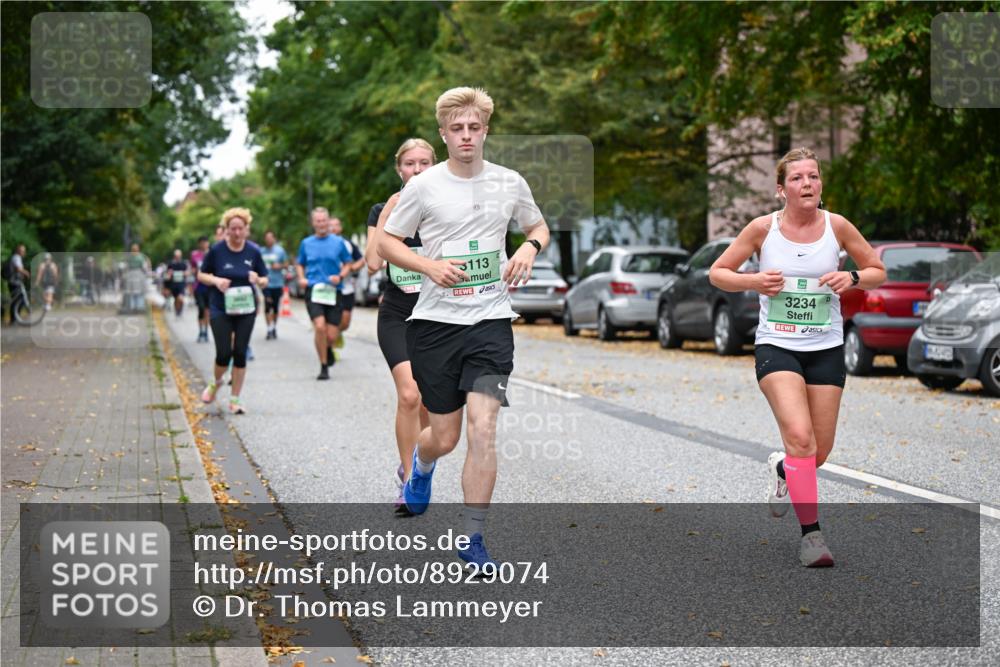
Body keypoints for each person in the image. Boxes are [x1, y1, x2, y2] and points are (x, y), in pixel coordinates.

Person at [379, 87, 550, 569]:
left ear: (486, 130)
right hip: (435, 326)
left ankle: (473, 538)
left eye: (474, 127)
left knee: (483, 427)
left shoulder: (509, 182)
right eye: (457, 129)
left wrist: (529, 248)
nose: (467, 136)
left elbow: (538, 227)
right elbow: (388, 243)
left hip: (490, 323)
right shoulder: (424, 186)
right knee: (445, 437)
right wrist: (428, 266)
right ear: (443, 134)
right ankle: (421, 465)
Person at [708, 147, 886, 568]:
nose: (807, 183)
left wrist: (852, 277)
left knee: (816, 453)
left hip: (826, 347)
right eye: (797, 178)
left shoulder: (837, 226)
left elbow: (877, 271)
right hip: (777, 345)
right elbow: (718, 272)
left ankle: (784, 470)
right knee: (801, 438)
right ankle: (812, 537)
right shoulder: (762, 229)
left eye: (813, 176)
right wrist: (754, 281)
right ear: (781, 189)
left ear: (820, 184)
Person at [364, 137, 436, 510]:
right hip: (396, 314)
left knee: (430, 405)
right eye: (410, 163)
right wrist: (389, 214)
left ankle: (419, 463)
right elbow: (372, 263)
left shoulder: (444, 208)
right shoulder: (382, 209)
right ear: (399, 169)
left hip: (437, 316)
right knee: (409, 394)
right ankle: (409, 481)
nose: (417, 170)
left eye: (424, 163)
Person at [198, 207, 268, 414]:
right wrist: (216, 280)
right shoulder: (217, 250)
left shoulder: (253, 251)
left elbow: (265, 279)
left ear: (246, 229)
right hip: (221, 308)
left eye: (240, 228)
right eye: (233, 229)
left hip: (246, 308)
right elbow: (201, 275)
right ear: (226, 229)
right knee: (223, 353)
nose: (237, 233)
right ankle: (216, 382)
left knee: (239, 352)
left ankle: (235, 399)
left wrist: (258, 279)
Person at [296, 207, 354, 380]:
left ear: (328, 222)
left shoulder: (338, 242)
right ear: (313, 223)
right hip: (314, 290)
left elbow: (348, 263)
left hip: (333, 291)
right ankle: (323, 366)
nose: (321, 223)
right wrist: (301, 278)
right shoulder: (306, 243)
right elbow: (299, 263)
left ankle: (327, 348)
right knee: (320, 327)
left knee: (331, 335)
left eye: (323, 220)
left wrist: (340, 276)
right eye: (318, 221)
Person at [329, 217, 366, 353]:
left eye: (336, 225)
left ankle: (336, 333)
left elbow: (361, 260)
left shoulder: (348, 244)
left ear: (340, 228)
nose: (333, 228)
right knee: (329, 321)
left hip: (346, 288)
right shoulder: (322, 243)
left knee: (345, 322)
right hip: (328, 289)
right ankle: (330, 347)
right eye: (331, 225)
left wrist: (351, 268)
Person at [261, 230, 288, 340]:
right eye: (267, 238)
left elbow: (286, 264)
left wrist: (279, 266)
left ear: (274, 238)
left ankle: (274, 327)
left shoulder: (280, 251)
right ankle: (269, 329)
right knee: (268, 305)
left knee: (275, 307)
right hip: (266, 283)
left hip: (277, 283)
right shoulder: (261, 251)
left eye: (270, 237)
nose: (268, 240)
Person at [191, 236, 211, 342]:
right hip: (198, 286)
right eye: (202, 242)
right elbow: (192, 268)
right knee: (201, 309)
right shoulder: (195, 255)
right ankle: (200, 331)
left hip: (209, 286)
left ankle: (206, 331)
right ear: (199, 244)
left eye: (205, 242)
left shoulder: (212, 254)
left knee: (208, 310)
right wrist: (194, 272)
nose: (204, 244)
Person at [5, 244, 30, 323]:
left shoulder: (16, 257)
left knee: (17, 300)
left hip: (15, 282)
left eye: (24, 251)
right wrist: (26, 273)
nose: (24, 252)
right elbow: (18, 268)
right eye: (22, 251)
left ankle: (15, 318)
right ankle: (14, 319)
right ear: (18, 251)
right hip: (14, 282)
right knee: (18, 300)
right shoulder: (16, 257)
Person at [124, 244, 150, 313]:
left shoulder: (129, 257)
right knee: (140, 292)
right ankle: (139, 307)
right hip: (139, 274)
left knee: (131, 292)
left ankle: (132, 307)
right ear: (138, 249)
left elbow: (126, 266)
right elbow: (144, 267)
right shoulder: (141, 257)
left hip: (130, 274)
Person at [166, 249, 189, 318]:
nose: (177, 257)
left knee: (180, 298)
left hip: (181, 284)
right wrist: (170, 274)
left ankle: (180, 309)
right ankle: (177, 310)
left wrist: (184, 273)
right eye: (176, 256)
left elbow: (187, 273)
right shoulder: (171, 264)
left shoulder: (183, 263)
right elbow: (168, 274)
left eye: (179, 256)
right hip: (173, 284)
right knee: (176, 299)